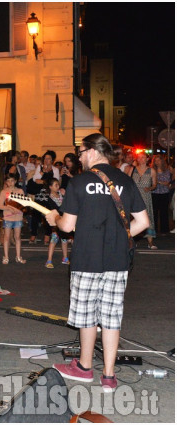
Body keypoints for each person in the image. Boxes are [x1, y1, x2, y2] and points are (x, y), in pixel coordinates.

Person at [46, 133, 149, 393]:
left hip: (87, 258)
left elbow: (67, 226)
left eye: (81, 152)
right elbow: (143, 222)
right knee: (111, 317)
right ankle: (109, 376)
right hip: (117, 259)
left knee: (86, 315)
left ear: (92, 151)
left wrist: (54, 218)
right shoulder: (125, 180)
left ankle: (83, 367)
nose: (79, 157)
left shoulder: (80, 182)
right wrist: (118, 236)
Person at [127, 152, 157, 249]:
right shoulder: (132, 169)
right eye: (139, 157)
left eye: (143, 157)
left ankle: (150, 242)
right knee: (132, 219)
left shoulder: (151, 171)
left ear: (147, 159)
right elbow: (126, 182)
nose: (141, 159)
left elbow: (154, 185)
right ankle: (131, 240)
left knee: (148, 218)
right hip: (134, 197)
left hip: (145, 197)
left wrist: (150, 188)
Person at [0, 173, 25, 264]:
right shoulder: (3, 192)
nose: (10, 182)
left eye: (12, 180)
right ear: (6, 182)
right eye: (8, 181)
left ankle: (18, 256)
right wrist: (9, 208)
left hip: (18, 217)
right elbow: (0, 206)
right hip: (8, 217)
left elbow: (23, 204)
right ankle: (6, 257)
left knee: (17, 237)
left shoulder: (20, 191)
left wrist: (18, 209)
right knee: (6, 237)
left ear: (16, 181)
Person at [42, 178, 70, 268]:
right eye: (56, 185)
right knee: (54, 239)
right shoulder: (48, 198)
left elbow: (68, 206)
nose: (58, 187)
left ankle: (65, 258)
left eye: (58, 185)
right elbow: (49, 210)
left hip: (63, 220)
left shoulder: (61, 195)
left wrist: (66, 195)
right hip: (54, 222)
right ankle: (49, 260)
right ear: (50, 187)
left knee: (64, 240)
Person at [151, 155, 174, 235]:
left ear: (162, 161)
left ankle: (164, 230)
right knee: (154, 212)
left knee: (164, 212)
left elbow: (167, 182)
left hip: (164, 193)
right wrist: (159, 182)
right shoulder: (152, 170)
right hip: (154, 193)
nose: (157, 162)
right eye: (155, 160)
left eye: (158, 160)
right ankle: (154, 230)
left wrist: (157, 182)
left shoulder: (167, 170)